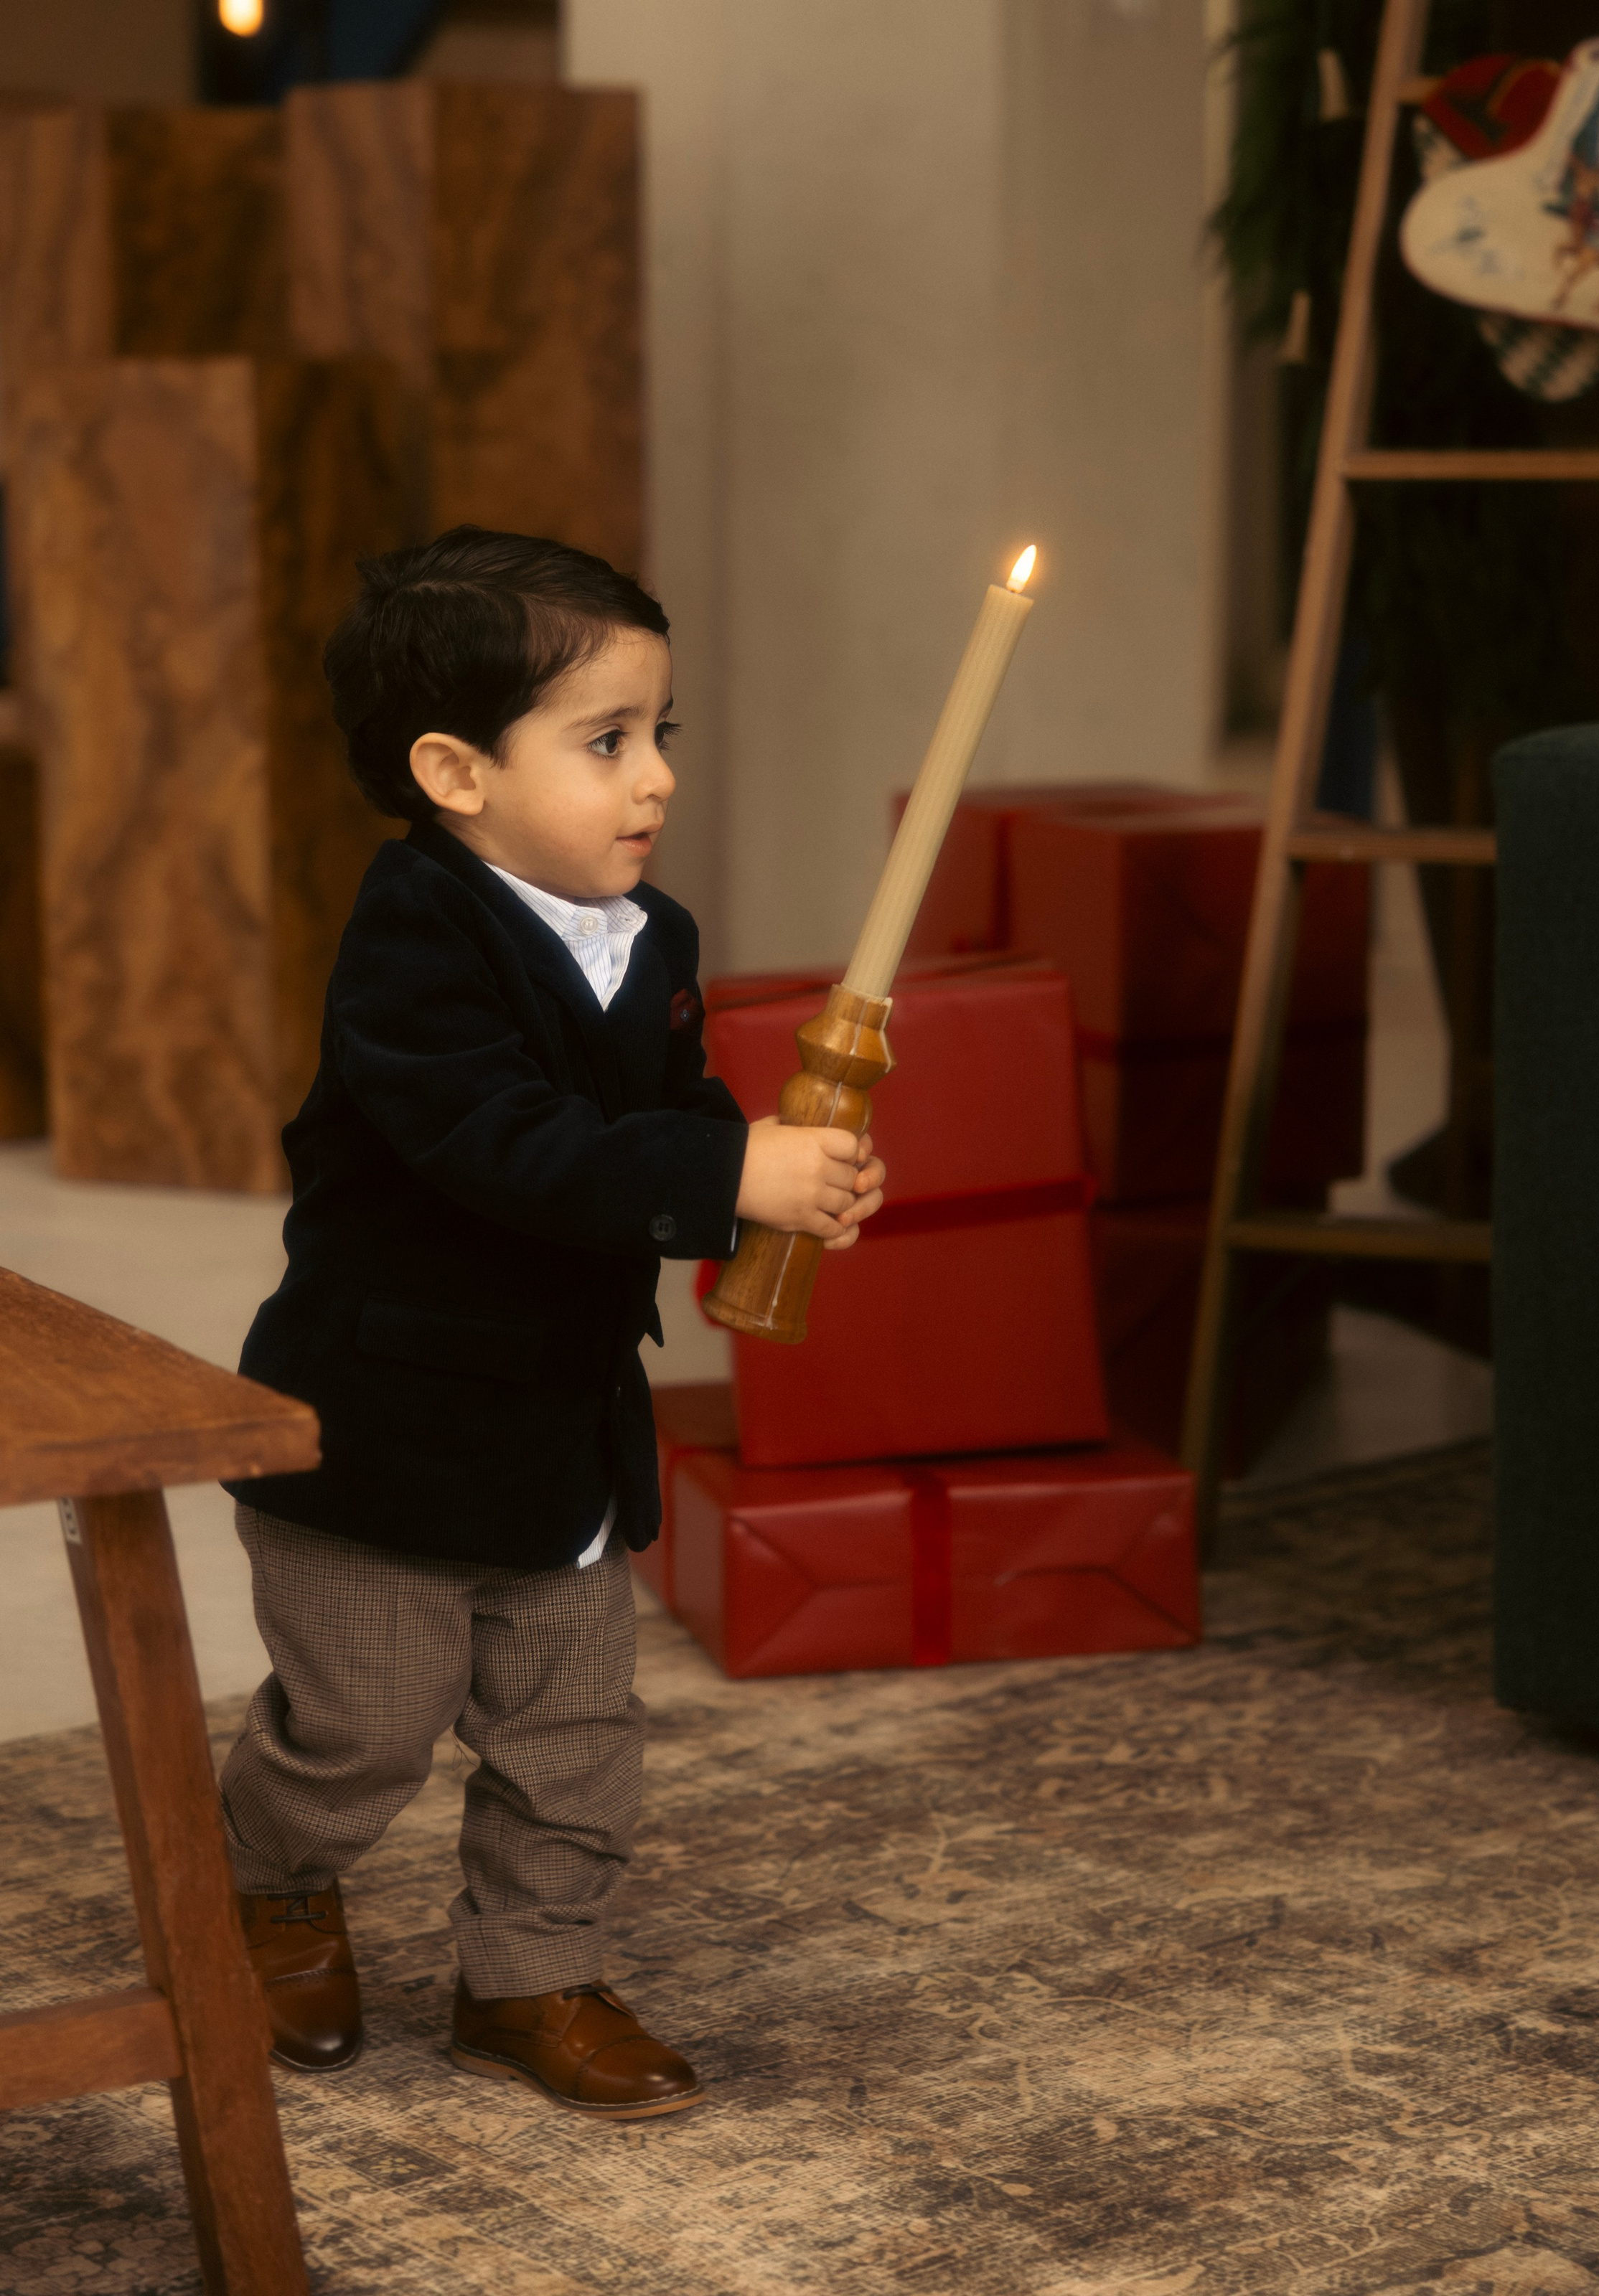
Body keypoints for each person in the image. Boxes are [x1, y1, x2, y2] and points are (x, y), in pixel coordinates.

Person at [217, 526, 884, 2119]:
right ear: (453, 771)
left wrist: (759, 1174)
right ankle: (270, 1882)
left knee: (575, 1735)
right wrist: (723, 1167)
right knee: (363, 1728)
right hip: (387, 1436)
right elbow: (506, 1147)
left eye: (661, 735)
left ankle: (533, 1972)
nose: (652, 779)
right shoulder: (412, 943)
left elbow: (658, 1107)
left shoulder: (651, 935)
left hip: (563, 1428)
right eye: (605, 743)